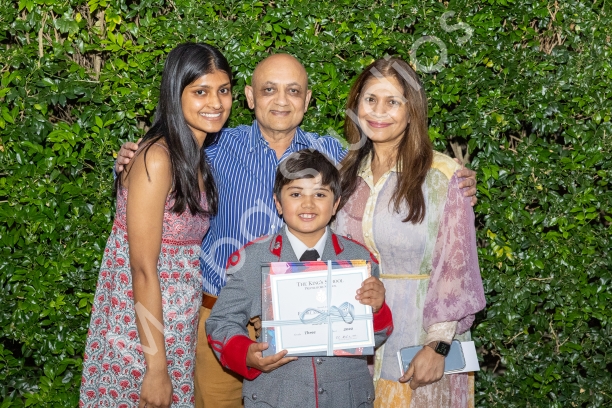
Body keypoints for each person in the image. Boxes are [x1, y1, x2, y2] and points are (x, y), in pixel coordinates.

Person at [113, 53, 478, 407]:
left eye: (293, 90)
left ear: (307, 99)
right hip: (225, 318)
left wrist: (452, 185)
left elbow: (388, 174)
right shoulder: (212, 148)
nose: (281, 101)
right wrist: (133, 159)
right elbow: (167, 159)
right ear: (250, 97)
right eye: (269, 89)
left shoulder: (337, 156)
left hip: (313, 328)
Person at [80, 43, 232, 407]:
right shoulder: (158, 158)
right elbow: (143, 269)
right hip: (140, 338)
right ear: (175, 93)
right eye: (200, 92)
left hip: (175, 329)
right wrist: (156, 368)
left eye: (223, 90)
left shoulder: (194, 156)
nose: (216, 102)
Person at [333, 56, 486, 407]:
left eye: (393, 102)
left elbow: (455, 269)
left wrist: (439, 346)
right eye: (370, 99)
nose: (378, 111)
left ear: (411, 110)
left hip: (420, 348)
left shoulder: (443, 176)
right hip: (353, 349)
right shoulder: (343, 175)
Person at [206, 150, 394, 407]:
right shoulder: (252, 259)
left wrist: (378, 309)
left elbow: (376, 335)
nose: (308, 204)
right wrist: (246, 354)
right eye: (296, 194)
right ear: (278, 203)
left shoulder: (360, 259)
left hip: (345, 397)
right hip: (277, 397)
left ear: (336, 204)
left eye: (320, 194)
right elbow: (220, 321)